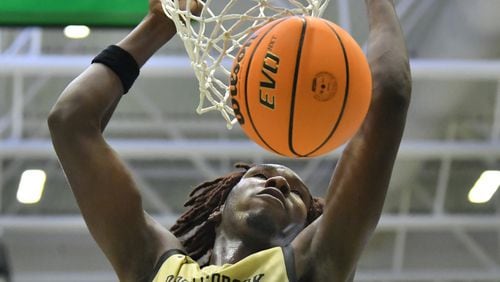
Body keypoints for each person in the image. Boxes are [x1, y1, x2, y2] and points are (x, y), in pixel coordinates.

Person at [47, 0, 411, 281]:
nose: (279, 182)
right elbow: (69, 120)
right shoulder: (155, 266)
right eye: (258, 174)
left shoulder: (313, 264)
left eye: (299, 194)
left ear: (307, 228)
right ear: (219, 207)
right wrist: (158, 25)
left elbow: (389, 97)